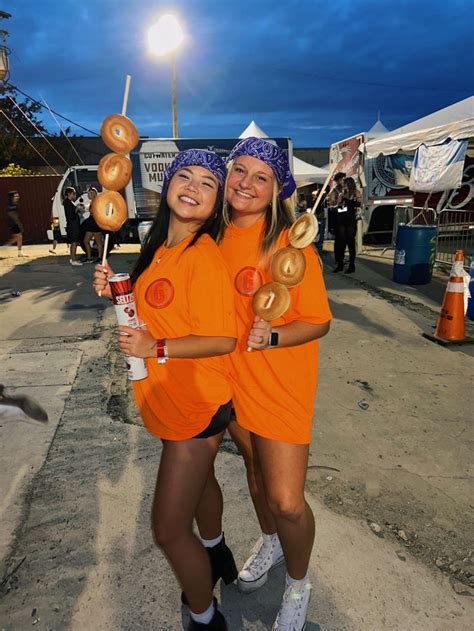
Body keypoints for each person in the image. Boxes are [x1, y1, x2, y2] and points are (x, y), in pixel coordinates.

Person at [93, 150, 238, 631]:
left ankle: (205, 616)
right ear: (166, 185)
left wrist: (156, 346)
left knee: (169, 530)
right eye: (185, 176)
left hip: (195, 403)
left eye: (207, 183)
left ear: (217, 205)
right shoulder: (161, 247)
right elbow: (154, 305)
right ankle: (217, 554)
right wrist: (115, 289)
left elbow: (223, 338)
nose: (193, 186)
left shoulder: (204, 256)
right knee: (202, 487)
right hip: (172, 395)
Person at [197, 137, 332, 630]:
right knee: (254, 472)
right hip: (230, 380)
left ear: (277, 190)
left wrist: (274, 334)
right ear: (228, 175)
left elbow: (318, 321)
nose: (247, 184)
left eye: (261, 177)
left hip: (279, 384)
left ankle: (299, 584)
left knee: (287, 500)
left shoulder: (290, 248)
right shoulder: (210, 236)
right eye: (240, 172)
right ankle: (271, 541)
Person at [334, 176, 362, 273]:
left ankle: (351, 265)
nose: (343, 185)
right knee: (341, 242)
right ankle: (340, 264)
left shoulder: (355, 193)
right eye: (343, 184)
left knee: (350, 242)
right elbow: (338, 205)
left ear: (349, 184)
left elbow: (359, 204)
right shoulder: (342, 194)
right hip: (342, 219)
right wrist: (340, 200)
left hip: (351, 220)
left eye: (345, 184)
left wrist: (349, 201)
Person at [81, 188, 104, 262]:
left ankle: (100, 258)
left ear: (94, 194)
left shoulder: (97, 201)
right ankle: (89, 257)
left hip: (95, 222)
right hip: (91, 222)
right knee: (85, 241)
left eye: (90, 193)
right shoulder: (91, 202)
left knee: (98, 242)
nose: (88, 194)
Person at [63, 187, 82, 266]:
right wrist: (77, 209)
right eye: (73, 193)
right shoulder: (67, 203)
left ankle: (72, 258)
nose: (75, 195)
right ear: (69, 194)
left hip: (73, 224)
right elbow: (71, 215)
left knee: (73, 242)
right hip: (73, 225)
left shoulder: (69, 202)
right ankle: (73, 260)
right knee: (74, 242)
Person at [326, 171, 345, 249]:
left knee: (345, 239)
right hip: (338, 218)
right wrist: (338, 203)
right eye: (342, 179)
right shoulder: (334, 191)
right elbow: (331, 206)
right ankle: (338, 259)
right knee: (339, 239)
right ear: (338, 181)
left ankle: (342, 257)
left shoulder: (345, 190)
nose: (343, 181)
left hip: (346, 218)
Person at [5, 191, 26, 257]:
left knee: (18, 237)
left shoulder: (14, 205)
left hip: (15, 223)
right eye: (16, 196)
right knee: (19, 236)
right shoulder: (11, 206)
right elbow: (11, 215)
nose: (17, 197)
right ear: (12, 197)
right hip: (13, 223)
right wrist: (17, 223)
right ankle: (6, 246)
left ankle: (18, 251)